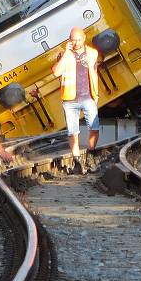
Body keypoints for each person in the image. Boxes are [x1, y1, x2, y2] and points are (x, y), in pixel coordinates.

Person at [52, 26, 100, 172]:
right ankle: (77, 161)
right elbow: (56, 73)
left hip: (88, 97)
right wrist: (66, 53)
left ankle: (90, 155)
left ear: (84, 38)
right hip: (69, 99)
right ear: (69, 40)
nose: (76, 43)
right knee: (73, 132)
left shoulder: (92, 53)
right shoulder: (64, 54)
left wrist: (96, 94)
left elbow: (95, 72)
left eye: (79, 39)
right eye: (73, 40)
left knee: (94, 127)